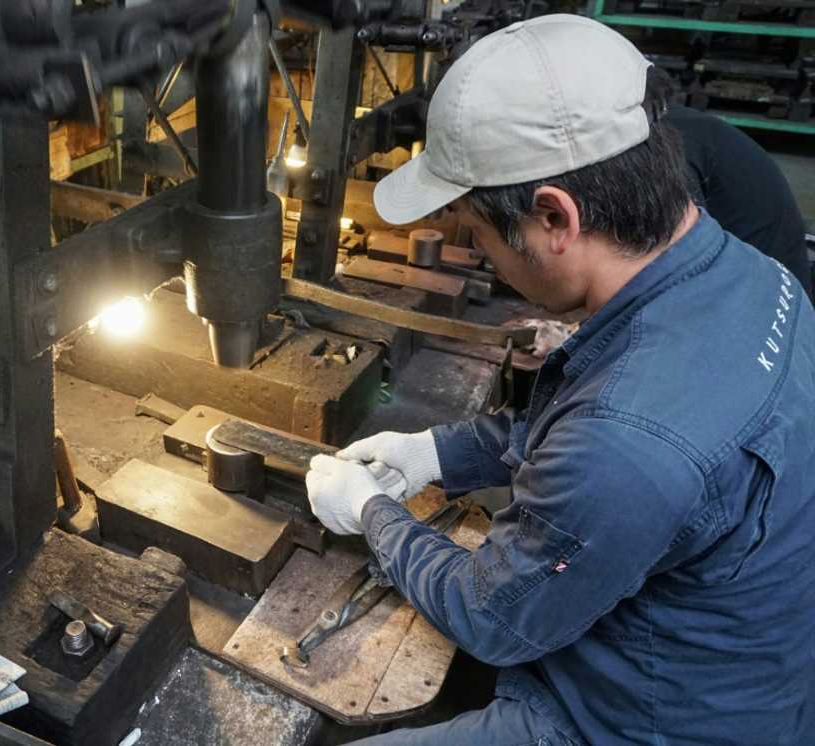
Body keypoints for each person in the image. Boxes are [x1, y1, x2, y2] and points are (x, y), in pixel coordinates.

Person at [305, 14, 815, 746]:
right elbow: (590, 422)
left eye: (478, 233)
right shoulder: (750, 273)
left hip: (644, 720)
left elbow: (491, 615)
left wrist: (373, 515)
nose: (481, 253)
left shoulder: (628, 443)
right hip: (735, 658)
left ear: (554, 217)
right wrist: (435, 452)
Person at [667, 100, 813, 300]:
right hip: (766, 284)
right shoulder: (679, 122)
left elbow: (673, 265)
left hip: (765, 298)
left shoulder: (670, 145)